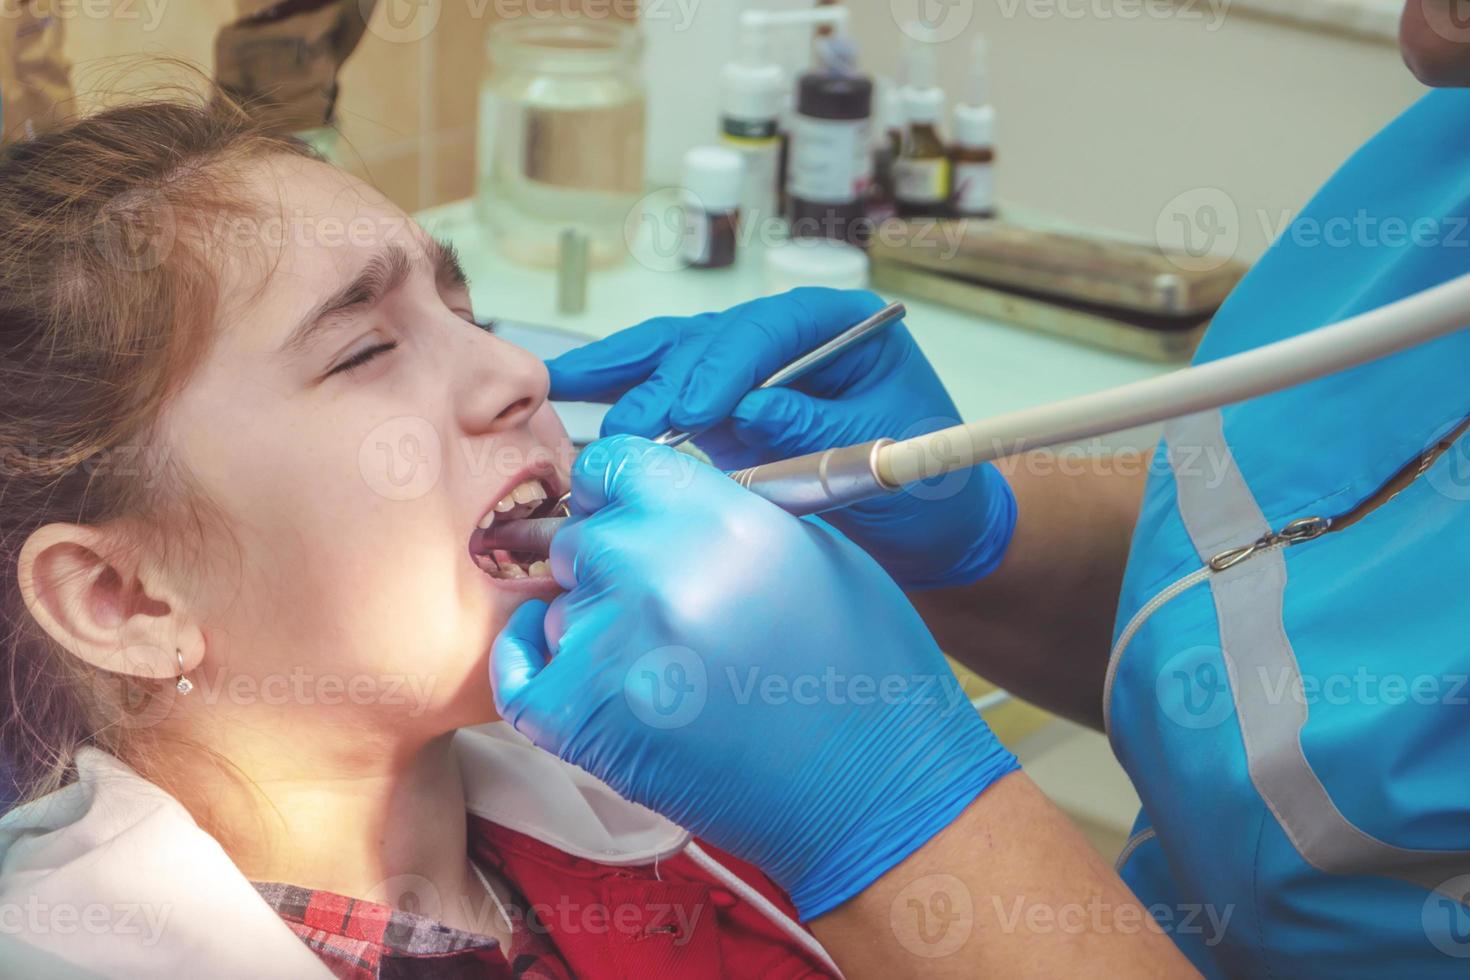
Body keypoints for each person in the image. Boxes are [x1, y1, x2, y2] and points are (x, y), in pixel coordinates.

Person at [489, 4, 1470, 976]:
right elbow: (1301, 572)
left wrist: (885, 810)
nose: (1428, 32)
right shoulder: (1441, 153)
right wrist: (978, 532)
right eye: (368, 343)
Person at [0, 96, 845, 978]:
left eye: (468, 316)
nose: (520, 374)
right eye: (364, 350)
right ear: (123, 599)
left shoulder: (671, 813)